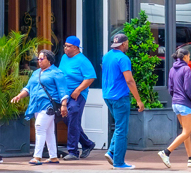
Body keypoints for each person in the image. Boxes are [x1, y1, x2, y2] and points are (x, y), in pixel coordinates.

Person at [12, 48, 64, 165]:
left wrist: (64, 104)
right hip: (36, 105)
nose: (39, 61)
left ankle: (37, 156)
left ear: (49, 60)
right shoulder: (36, 73)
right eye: (38, 59)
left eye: (42, 59)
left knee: (39, 127)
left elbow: (62, 90)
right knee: (49, 131)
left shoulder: (56, 73)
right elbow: (28, 87)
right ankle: (53, 156)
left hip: (48, 105)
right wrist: (19, 96)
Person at [101, 33, 145, 170]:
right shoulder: (123, 58)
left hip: (108, 96)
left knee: (119, 126)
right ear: (124, 43)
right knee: (122, 130)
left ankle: (111, 152)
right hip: (120, 97)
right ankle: (119, 162)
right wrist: (139, 100)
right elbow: (129, 80)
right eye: (127, 43)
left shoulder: (107, 56)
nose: (128, 45)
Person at [159, 46, 191, 168]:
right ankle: (166, 152)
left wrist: (175, 97)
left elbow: (170, 88)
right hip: (184, 103)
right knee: (187, 132)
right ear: (185, 57)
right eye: (188, 57)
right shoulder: (186, 69)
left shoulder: (172, 69)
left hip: (175, 103)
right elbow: (189, 88)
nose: (189, 59)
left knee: (185, 132)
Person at [57, 36, 96, 161]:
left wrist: (78, 90)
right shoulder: (64, 58)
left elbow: (90, 77)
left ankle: (73, 152)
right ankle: (87, 144)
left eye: (68, 46)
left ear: (75, 48)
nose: (65, 48)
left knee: (73, 118)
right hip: (64, 95)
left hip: (77, 96)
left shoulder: (82, 60)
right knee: (68, 119)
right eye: (65, 46)